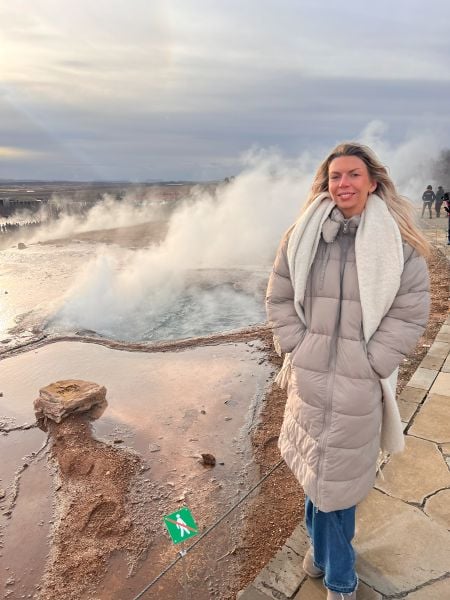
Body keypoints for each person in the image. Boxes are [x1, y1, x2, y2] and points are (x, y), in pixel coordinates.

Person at [266, 142, 430, 600]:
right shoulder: (301, 236)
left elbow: (411, 311)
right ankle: (321, 558)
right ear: (326, 182)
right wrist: (298, 346)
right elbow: (279, 297)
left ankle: (339, 577)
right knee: (317, 473)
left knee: (337, 484)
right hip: (311, 376)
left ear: (372, 181)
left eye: (353, 175)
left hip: (360, 382)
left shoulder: (398, 244)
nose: (344, 184)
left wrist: (373, 360)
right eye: (335, 176)